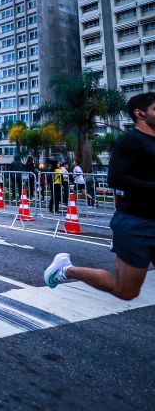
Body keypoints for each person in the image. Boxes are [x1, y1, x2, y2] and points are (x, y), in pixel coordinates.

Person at [44, 92, 155, 300]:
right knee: (126, 290)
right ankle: (66, 270)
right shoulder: (130, 141)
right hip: (135, 223)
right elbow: (115, 179)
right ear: (139, 114)